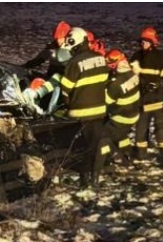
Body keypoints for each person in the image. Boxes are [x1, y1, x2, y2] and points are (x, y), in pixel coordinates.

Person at [25, 27, 110, 189]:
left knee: (79, 147)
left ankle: (84, 181)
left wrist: (68, 103)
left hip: (80, 112)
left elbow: (65, 89)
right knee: (94, 146)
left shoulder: (74, 63)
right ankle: (95, 179)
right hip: (99, 111)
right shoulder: (100, 58)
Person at [131, 26, 163, 165]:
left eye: (146, 41)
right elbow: (129, 78)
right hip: (142, 101)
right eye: (142, 41)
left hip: (157, 100)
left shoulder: (161, 58)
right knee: (140, 130)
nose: (143, 43)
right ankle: (141, 155)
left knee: (160, 130)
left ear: (152, 42)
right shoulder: (136, 57)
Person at [103, 49, 141, 167]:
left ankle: (107, 159)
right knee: (121, 135)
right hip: (134, 114)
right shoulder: (132, 74)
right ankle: (127, 154)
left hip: (121, 117)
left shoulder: (116, 84)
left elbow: (106, 102)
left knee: (103, 136)